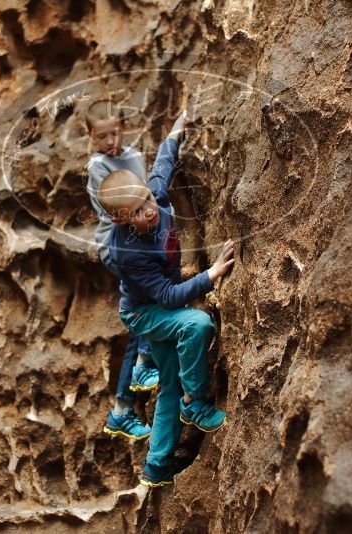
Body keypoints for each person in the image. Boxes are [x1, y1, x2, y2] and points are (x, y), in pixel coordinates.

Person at [98, 110, 235, 487]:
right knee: (197, 323)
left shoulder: (153, 198)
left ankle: (156, 465)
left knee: (168, 383)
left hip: (157, 308)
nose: (151, 211)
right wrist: (212, 275)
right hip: (145, 314)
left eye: (148, 200)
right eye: (140, 212)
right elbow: (169, 298)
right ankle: (196, 403)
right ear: (122, 220)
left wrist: (175, 132)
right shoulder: (129, 252)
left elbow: (162, 166)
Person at [84, 100, 159, 441]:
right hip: (117, 247)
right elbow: (122, 208)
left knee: (142, 315)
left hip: (142, 243)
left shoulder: (135, 157)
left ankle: (121, 409)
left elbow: (145, 197)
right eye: (101, 136)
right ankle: (143, 367)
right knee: (153, 298)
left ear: (123, 128)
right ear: (91, 137)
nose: (109, 141)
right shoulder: (97, 166)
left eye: (114, 133)